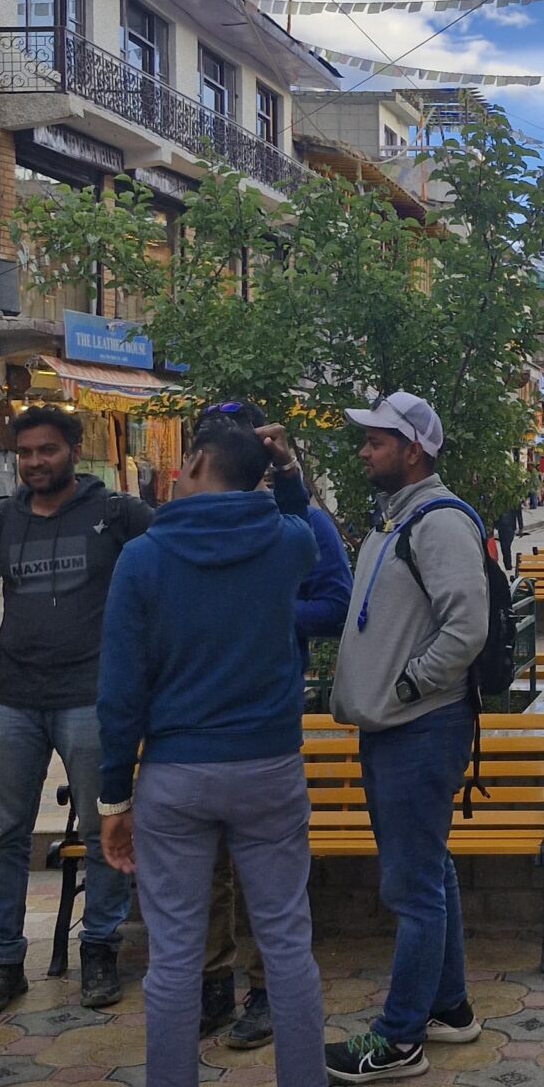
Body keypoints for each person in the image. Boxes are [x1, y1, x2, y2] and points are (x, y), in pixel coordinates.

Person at [85, 414, 360, 1087]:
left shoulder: (143, 559)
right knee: (285, 940)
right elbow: (304, 519)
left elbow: (119, 692)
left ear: (197, 459)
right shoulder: (286, 545)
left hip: (175, 775)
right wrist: (289, 468)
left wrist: (114, 801)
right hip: (268, 770)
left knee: (173, 957)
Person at [326, 391, 490, 1084]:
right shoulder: (398, 519)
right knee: (429, 870)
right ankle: (448, 1008)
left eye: (376, 441)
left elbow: (466, 627)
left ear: (412, 449)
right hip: (397, 728)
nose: (364, 451)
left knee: (412, 885)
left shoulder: (437, 523)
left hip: (418, 728)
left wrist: (406, 690)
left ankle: (397, 1039)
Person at [0, 405, 153, 1015]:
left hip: (90, 699)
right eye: (24, 454)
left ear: (74, 449)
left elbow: (170, 559)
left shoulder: (116, 514)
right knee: (6, 836)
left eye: (46, 450)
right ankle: (2, 962)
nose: (34, 463)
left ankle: (98, 950)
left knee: (107, 828)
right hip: (10, 701)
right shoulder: (1, 520)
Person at [194, 400, 353, 1053]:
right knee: (207, 867)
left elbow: (336, 604)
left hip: (264, 718)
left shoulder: (302, 525)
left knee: (261, 868)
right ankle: (211, 985)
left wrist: (269, 613)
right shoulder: (189, 531)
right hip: (195, 724)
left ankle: (264, 992)